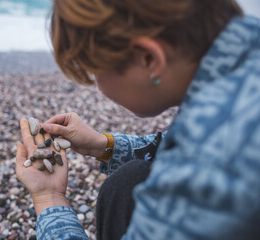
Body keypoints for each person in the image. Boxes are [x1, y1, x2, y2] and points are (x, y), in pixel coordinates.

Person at [15, 0, 260, 239]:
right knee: (126, 184)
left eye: (95, 71)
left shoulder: (209, 160)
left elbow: (201, 152)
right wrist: (105, 146)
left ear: (149, 59)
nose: (98, 85)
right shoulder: (248, 43)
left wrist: (49, 199)